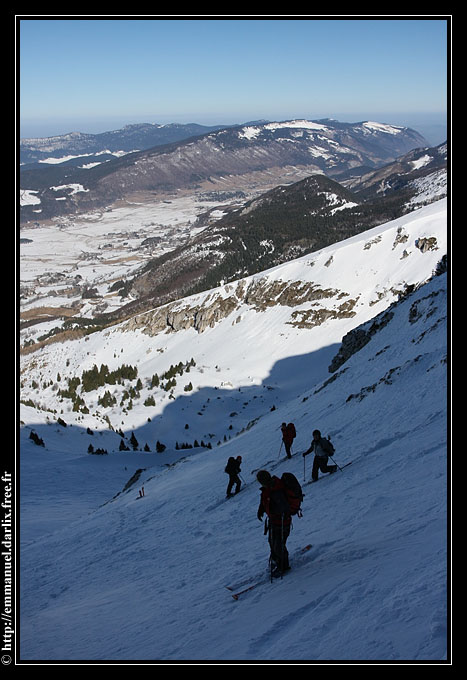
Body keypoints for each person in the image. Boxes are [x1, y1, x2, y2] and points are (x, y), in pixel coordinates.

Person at [256, 470, 292, 577]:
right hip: (274, 521)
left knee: (278, 544)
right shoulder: (268, 488)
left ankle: (284, 565)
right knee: (272, 541)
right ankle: (277, 560)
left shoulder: (276, 489)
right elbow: (264, 500)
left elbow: (283, 506)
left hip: (282, 522)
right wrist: (261, 510)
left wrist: (277, 512)